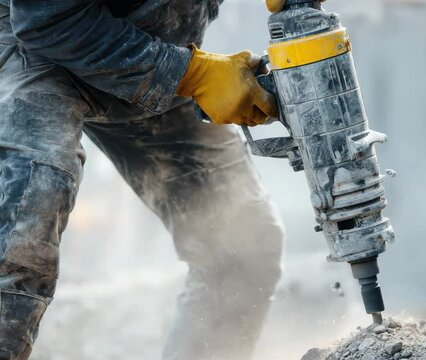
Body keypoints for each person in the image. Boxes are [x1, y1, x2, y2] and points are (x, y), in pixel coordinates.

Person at [0, 0, 306, 358]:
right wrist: (191, 74)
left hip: (152, 45)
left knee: (240, 246)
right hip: (35, 47)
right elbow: (46, 20)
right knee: (28, 212)